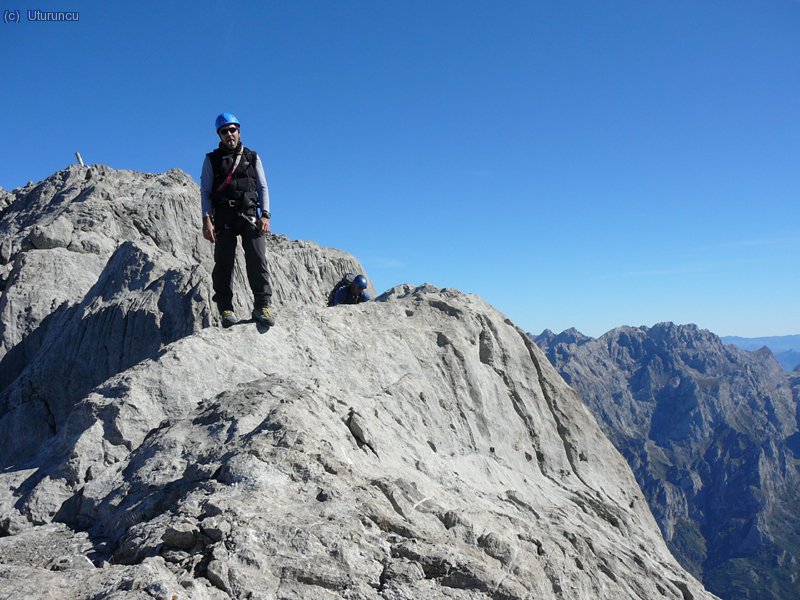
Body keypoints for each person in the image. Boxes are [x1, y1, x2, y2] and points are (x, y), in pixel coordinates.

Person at [200, 113, 275, 328]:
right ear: (219, 135)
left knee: (257, 259)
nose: (229, 134)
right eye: (224, 131)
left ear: (239, 131)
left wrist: (266, 215)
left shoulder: (252, 157)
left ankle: (262, 305)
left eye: (232, 129)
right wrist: (206, 220)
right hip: (224, 215)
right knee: (223, 262)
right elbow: (205, 191)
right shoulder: (211, 160)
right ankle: (226, 309)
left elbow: (263, 187)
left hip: (250, 213)